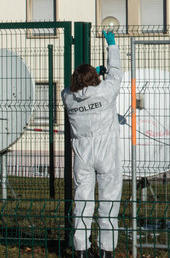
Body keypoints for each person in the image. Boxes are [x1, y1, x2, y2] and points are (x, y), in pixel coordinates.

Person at [61, 31, 123, 258]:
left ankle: (81, 250)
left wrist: (91, 74)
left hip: (83, 156)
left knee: (82, 203)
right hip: (107, 154)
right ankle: (106, 250)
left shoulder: (68, 98)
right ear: (96, 81)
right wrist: (112, 46)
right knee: (108, 202)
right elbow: (115, 74)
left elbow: (72, 89)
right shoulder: (105, 93)